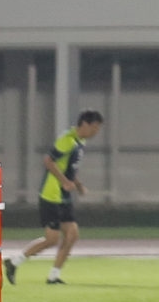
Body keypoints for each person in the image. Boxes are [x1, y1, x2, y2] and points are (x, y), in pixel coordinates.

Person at [10, 109, 102, 284]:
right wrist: (64, 181)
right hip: (51, 195)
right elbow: (48, 160)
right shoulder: (67, 140)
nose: (96, 132)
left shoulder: (80, 142)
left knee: (72, 234)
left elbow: (68, 168)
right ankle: (15, 261)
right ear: (85, 124)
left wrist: (78, 185)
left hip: (63, 196)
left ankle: (54, 276)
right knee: (52, 239)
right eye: (95, 127)